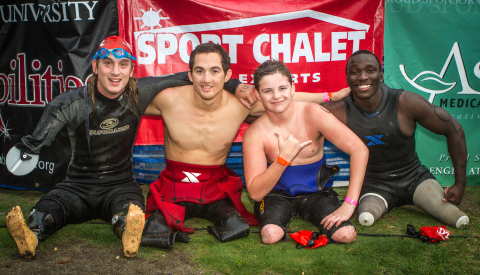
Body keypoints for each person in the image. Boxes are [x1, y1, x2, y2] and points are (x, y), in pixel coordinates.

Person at [4, 36, 243, 259]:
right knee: (48, 209)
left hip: (119, 185)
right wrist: (29, 147)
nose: (115, 71)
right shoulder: (73, 102)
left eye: (123, 64)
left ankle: (129, 233)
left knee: (130, 215)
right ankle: (32, 235)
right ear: (95, 67)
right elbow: (45, 126)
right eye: (108, 63)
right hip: (77, 185)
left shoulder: (138, 94)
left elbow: (189, 77)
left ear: (131, 69)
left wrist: (233, 84)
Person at [140, 43, 351, 248]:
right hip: (174, 183)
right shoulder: (167, 99)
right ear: (189, 75)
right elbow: (129, 95)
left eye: (214, 71)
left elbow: (287, 98)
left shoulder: (240, 105)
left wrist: (330, 96)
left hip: (213, 186)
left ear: (227, 75)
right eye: (199, 71)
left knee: (236, 227)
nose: (206, 79)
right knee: (155, 232)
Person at [324, 50, 469, 228]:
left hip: (415, 178)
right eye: (355, 72)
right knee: (366, 218)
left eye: (370, 70)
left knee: (458, 219)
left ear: (381, 75)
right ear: (347, 79)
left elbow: (454, 130)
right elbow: (302, 116)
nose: (363, 77)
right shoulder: (337, 110)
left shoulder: (406, 102)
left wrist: (460, 183)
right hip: (375, 185)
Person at [242, 60, 368, 245]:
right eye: (268, 91)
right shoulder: (255, 133)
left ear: (293, 88)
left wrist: (350, 203)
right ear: (257, 94)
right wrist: (283, 159)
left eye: (282, 88)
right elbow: (255, 193)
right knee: (271, 235)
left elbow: (359, 150)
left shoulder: (314, 113)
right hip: (276, 194)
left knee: (346, 234)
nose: (277, 96)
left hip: (316, 192)